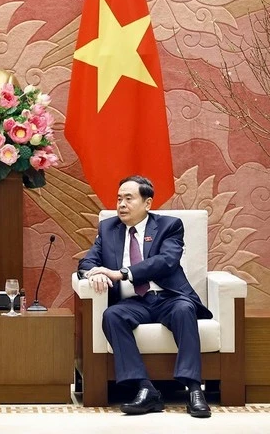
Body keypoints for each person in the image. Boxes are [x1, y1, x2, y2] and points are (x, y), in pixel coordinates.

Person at [78, 175, 212, 418]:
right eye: (119, 199)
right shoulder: (108, 229)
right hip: (133, 303)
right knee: (112, 315)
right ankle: (145, 388)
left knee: (184, 310)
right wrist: (92, 274)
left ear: (147, 203)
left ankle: (194, 389)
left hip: (169, 298)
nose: (121, 204)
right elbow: (87, 261)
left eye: (129, 199)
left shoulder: (169, 226)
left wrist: (122, 273)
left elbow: (166, 262)